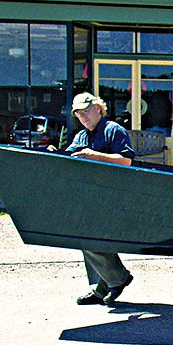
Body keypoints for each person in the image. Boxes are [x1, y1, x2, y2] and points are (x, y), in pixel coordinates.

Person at [57, 92, 137, 306]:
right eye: (78, 114)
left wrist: (95, 156)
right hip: (90, 197)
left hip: (114, 197)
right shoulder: (81, 136)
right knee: (87, 236)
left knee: (88, 235)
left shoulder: (113, 130)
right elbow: (68, 159)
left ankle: (116, 279)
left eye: (86, 111)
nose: (82, 117)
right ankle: (103, 287)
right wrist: (54, 154)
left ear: (98, 109)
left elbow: (126, 160)